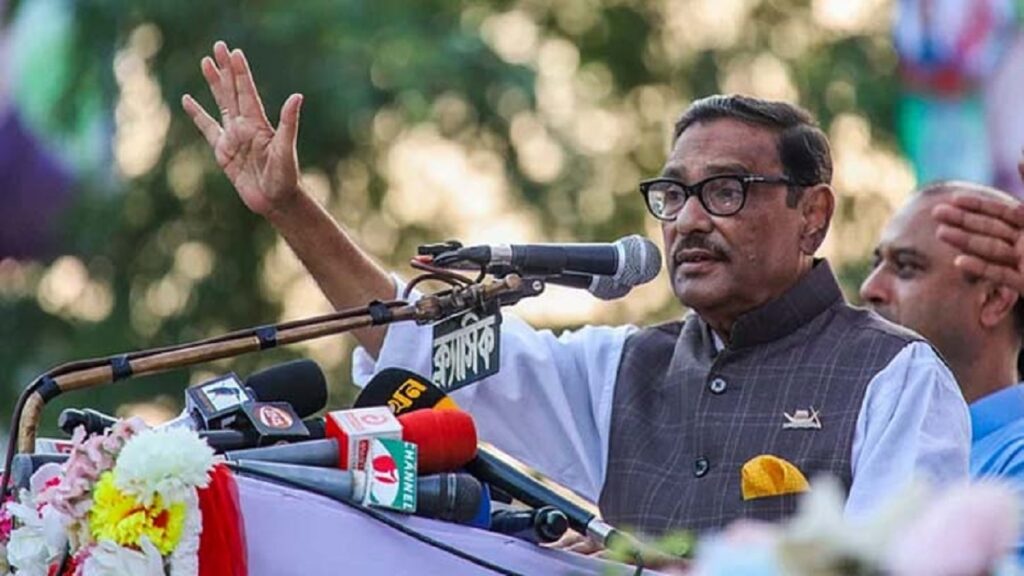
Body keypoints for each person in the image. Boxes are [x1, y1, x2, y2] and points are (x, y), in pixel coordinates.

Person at [183, 41, 970, 537]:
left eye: (726, 190)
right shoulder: (623, 369)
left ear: (813, 215)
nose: (689, 219)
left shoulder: (895, 377)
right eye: (673, 194)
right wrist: (291, 208)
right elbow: (411, 339)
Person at [861, 180, 1024, 560]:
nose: (870, 288)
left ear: (994, 300)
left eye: (906, 267)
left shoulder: (1014, 456)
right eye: (876, 263)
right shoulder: (870, 434)